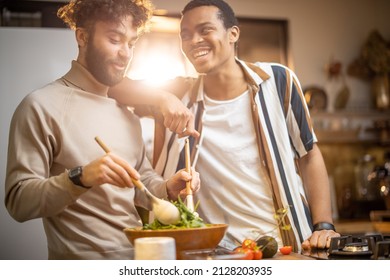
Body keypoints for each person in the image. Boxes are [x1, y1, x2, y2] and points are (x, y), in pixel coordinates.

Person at [109, 0, 340, 252]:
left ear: (233, 34)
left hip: (285, 247)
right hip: (214, 253)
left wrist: (324, 225)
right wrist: (162, 97)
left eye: (205, 30)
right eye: (185, 35)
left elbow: (309, 155)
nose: (194, 40)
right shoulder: (179, 92)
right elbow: (112, 86)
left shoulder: (278, 80)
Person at [4, 0, 200, 260]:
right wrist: (81, 177)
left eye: (131, 43)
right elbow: (18, 203)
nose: (126, 53)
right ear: (82, 37)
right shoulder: (41, 106)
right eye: (115, 39)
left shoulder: (126, 114)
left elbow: (141, 182)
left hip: (137, 261)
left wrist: (167, 188)